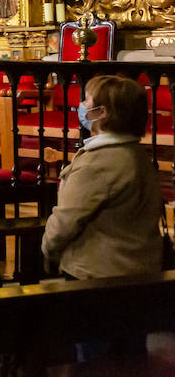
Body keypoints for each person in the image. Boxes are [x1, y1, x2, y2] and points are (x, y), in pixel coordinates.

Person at [43, 75, 163, 359]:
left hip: (96, 275)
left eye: (86, 100)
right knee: (131, 357)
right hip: (139, 270)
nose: (81, 106)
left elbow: (66, 219)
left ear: (102, 113)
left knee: (92, 359)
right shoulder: (136, 154)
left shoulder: (98, 162)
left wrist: (48, 249)